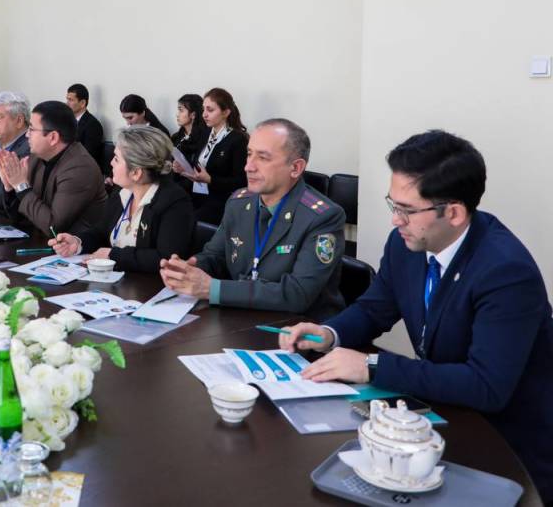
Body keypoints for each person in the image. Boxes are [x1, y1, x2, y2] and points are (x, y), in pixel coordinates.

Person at [279, 131, 553, 502]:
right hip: (439, 423)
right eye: (393, 204)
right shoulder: (407, 243)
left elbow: (486, 386)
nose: (396, 220)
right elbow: (374, 308)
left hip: (508, 447)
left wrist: (371, 366)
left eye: (407, 210)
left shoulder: (505, 272)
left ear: (453, 213)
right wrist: (329, 333)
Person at [159, 118, 345, 320]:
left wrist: (213, 289)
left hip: (296, 328)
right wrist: (189, 268)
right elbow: (216, 256)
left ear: (296, 168)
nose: (248, 166)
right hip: (241, 318)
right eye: (249, 154)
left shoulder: (322, 217)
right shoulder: (238, 202)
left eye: (263, 158)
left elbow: (297, 294)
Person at [50, 127, 194, 274]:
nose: (111, 163)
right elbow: (101, 232)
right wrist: (78, 242)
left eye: (117, 159)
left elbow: (166, 259)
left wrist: (114, 255)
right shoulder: (122, 192)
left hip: (148, 285)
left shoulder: (175, 202)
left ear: (136, 173)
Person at [0, 100, 107, 234]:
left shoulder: (80, 168)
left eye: (31, 129)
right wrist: (10, 187)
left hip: (76, 245)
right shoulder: (37, 157)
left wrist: (21, 186)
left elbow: (53, 227)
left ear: (53, 137)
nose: (27, 135)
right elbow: (21, 218)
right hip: (40, 240)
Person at [174, 88, 249, 224]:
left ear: (226, 112)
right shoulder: (206, 133)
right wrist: (184, 170)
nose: (204, 114)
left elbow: (242, 182)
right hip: (198, 194)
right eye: (203, 109)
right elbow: (200, 168)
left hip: (221, 200)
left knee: (186, 221)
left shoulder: (238, 139)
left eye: (210, 110)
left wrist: (210, 180)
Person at [66, 83, 104, 167]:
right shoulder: (66, 121)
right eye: (67, 99)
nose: (67, 103)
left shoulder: (93, 125)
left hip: (82, 168)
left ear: (82, 103)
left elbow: (88, 156)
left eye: (71, 100)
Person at [171, 93, 209, 165]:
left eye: (181, 110)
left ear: (193, 115)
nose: (177, 115)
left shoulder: (206, 138)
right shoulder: (175, 137)